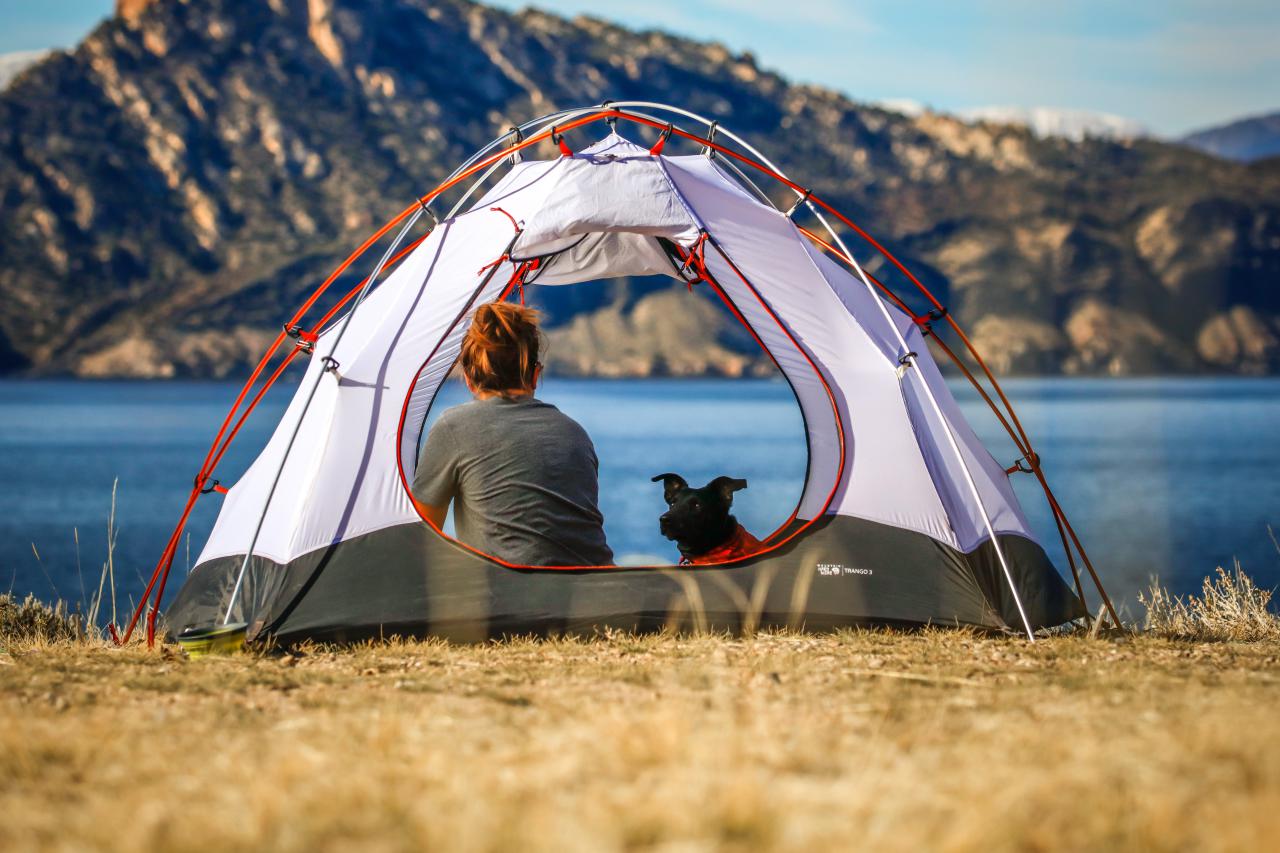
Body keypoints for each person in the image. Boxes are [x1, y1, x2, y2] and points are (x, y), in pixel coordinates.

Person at [412, 302, 614, 567]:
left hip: (511, 599)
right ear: (535, 375)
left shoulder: (454, 427)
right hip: (601, 592)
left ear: (470, 379)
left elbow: (424, 536)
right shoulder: (574, 433)